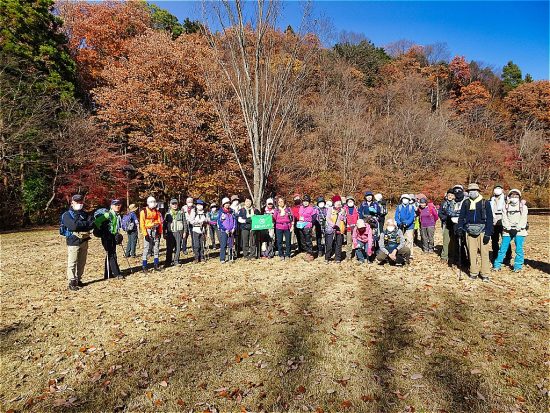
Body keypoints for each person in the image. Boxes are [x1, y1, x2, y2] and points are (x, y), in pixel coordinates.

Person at [457, 183, 494, 282]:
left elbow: (490, 218)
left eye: (474, 190)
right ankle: (473, 272)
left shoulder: (485, 202)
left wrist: (488, 233)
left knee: (484, 253)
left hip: (483, 230)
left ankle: (485, 274)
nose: (472, 192)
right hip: (469, 230)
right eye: (470, 191)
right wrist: (460, 227)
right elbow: (461, 216)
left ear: (478, 191)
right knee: (471, 252)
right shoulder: (466, 203)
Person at [61, 194, 95, 290]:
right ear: (72, 202)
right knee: (72, 262)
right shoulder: (67, 215)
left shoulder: (85, 214)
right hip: (73, 241)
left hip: (84, 240)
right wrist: (85, 224)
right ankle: (72, 281)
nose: (79, 203)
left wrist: (81, 224)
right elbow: (73, 226)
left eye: (80, 201)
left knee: (82, 262)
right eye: (76, 201)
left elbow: (92, 224)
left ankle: (79, 279)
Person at [493, 189, 528, 272]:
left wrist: (517, 228)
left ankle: (518, 266)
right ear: (508, 197)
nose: (514, 198)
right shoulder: (505, 206)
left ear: (519, 197)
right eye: (512, 196)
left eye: (516, 196)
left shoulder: (523, 207)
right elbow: (504, 218)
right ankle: (497, 265)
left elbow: (523, 219)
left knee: (519, 249)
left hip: (520, 231)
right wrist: (508, 228)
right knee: (502, 249)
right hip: (507, 231)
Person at [95, 199, 124, 279]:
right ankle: (117, 273)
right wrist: (102, 231)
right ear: (111, 206)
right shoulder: (108, 214)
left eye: (119, 205)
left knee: (110, 254)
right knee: (112, 255)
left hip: (113, 236)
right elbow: (97, 222)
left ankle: (108, 273)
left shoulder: (116, 215)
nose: (118, 206)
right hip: (107, 237)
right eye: (116, 205)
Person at [140, 196, 163, 273]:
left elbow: (160, 222)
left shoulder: (157, 212)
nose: (152, 203)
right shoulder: (143, 212)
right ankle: (144, 266)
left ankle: (156, 264)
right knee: (146, 248)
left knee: (156, 247)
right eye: (151, 202)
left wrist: (159, 232)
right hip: (148, 230)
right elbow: (142, 224)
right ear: (147, 203)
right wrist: (145, 234)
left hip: (155, 230)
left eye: (153, 201)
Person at [490, 184, 512, 263]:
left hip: (503, 222)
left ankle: (508, 256)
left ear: (502, 190)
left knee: (505, 240)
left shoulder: (506, 199)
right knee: (494, 241)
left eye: (499, 188)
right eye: (496, 188)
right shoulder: (491, 199)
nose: (497, 189)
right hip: (493, 223)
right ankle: (495, 255)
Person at [448, 185, 468, 266]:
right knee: (457, 243)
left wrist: (458, 213)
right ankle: (462, 260)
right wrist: (459, 213)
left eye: (459, 190)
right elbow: (450, 212)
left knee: (467, 242)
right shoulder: (452, 202)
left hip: (465, 224)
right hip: (455, 224)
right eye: (455, 191)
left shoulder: (467, 200)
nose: (457, 192)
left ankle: (470, 260)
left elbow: (467, 212)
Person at [325, 195, 347, 263]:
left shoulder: (343, 210)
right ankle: (327, 257)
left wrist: (343, 218)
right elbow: (327, 218)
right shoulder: (330, 209)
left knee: (339, 244)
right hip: (331, 229)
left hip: (340, 229)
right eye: (337, 202)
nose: (338, 203)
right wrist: (333, 225)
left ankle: (338, 258)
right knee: (329, 244)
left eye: (339, 202)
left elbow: (345, 219)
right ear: (334, 203)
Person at [394, 194, 416, 259]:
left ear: (409, 200)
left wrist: (407, 223)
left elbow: (412, 217)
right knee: (400, 239)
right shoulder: (399, 207)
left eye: (406, 199)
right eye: (403, 199)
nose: (405, 200)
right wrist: (399, 223)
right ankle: (400, 252)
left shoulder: (411, 207)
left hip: (410, 226)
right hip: (400, 225)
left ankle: (410, 253)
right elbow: (396, 216)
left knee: (409, 239)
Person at [164, 199, 184, 267]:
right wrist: (164, 233)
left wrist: (185, 232)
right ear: (170, 205)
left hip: (179, 232)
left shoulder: (181, 212)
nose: (174, 205)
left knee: (178, 248)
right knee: (169, 248)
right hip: (170, 233)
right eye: (173, 204)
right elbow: (164, 224)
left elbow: (184, 222)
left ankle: (176, 261)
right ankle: (168, 262)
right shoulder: (167, 214)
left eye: (176, 204)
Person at [438, 189, 455, 263]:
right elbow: (440, 213)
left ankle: (453, 255)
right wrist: (444, 218)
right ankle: (444, 256)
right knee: (446, 240)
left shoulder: (456, 203)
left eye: (451, 195)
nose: (450, 196)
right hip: (446, 224)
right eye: (449, 195)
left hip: (454, 224)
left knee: (453, 241)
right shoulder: (443, 203)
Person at [297, 195, 316, 261]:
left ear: (309, 202)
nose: (305, 202)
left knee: (308, 240)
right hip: (301, 225)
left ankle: (310, 254)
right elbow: (299, 215)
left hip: (307, 225)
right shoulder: (301, 207)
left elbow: (314, 217)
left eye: (307, 201)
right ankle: (306, 251)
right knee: (302, 240)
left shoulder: (311, 208)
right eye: (304, 201)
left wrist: (311, 224)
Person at [217, 197, 236, 263]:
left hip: (231, 230)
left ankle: (231, 257)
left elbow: (234, 220)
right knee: (223, 245)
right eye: (226, 203)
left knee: (231, 245)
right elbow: (219, 222)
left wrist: (234, 228)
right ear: (223, 204)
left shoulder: (232, 211)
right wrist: (224, 229)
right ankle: (222, 258)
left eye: (228, 203)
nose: (227, 204)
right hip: (224, 231)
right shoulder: (221, 212)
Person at [344, 195, 359, 261]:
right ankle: (348, 256)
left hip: (356, 228)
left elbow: (359, 218)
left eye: (351, 201)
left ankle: (357, 256)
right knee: (349, 242)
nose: (350, 202)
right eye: (349, 201)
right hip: (348, 228)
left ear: (353, 201)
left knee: (356, 242)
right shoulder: (344, 209)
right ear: (347, 202)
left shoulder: (356, 208)